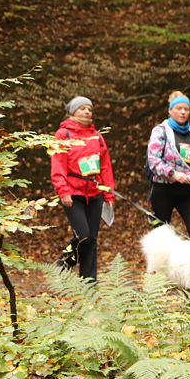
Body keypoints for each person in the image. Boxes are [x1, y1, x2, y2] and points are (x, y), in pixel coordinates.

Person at [50, 96, 116, 282]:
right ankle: (64, 263)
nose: (87, 112)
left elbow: (105, 167)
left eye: (90, 109)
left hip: (95, 194)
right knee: (83, 236)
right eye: (82, 108)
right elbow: (58, 165)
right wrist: (63, 190)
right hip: (73, 194)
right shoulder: (63, 135)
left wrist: (108, 194)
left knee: (92, 240)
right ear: (72, 112)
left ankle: (89, 283)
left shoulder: (97, 136)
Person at [146, 91, 190, 239]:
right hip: (163, 190)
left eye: (186, 109)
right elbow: (153, 160)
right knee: (162, 236)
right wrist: (173, 174)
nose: (183, 112)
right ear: (170, 110)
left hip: (187, 191)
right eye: (179, 108)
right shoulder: (160, 131)